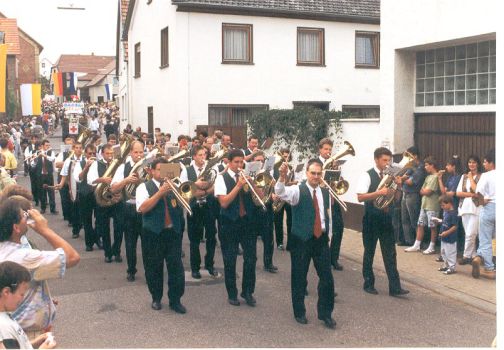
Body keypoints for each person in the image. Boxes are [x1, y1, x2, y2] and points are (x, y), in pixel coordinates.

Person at [0, 198, 80, 338]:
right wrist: (45, 230)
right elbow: (72, 257)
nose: (28, 217)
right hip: (29, 334)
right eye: (24, 215)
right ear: (16, 227)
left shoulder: (4, 249)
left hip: (11, 329)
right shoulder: (25, 257)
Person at [275, 158, 336, 329]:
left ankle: (325, 314)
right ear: (307, 173)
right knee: (299, 278)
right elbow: (280, 192)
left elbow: (325, 216)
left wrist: (328, 235)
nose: (316, 176)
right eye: (313, 173)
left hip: (321, 239)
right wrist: (281, 177)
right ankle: (299, 312)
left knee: (327, 278)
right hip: (301, 239)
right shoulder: (297, 190)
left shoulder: (326, 192)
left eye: (319, 173)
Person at [356, 147, 409, 297]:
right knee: (369, 252)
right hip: (371, 219)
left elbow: (396, 199)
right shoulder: (367, 175)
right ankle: (368, 283)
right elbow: (360, 197)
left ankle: (395, 287)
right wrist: (379, 192)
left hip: (386, 219)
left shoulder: (390, 176)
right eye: (385, 160)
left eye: (389, 161)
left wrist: (398, 186)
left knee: (390, 254)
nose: (387, 164)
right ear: (376, 160)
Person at [136, 158, 186, 313]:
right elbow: (143, 208)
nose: (162, 173)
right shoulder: (144, 187)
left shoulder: (175, 186)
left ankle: (175, 300)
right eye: (159, 169)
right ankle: (156, 298)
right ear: (151, 171)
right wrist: (160, 193)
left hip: (172, 233)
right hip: (153, 233)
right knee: (154, 267)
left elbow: (182, 205)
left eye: (165, 170)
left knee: (176, 268)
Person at [214, 149, 258, 307]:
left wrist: (252, 183)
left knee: (251, 258)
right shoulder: (221, 178)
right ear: (229, 162)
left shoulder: (246, 177)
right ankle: (232, 294)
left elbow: (258, 197)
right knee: (230, 260)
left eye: (242, 162)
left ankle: (247, 292)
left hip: (246, 222)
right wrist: (239, 185)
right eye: (236, 162)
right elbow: (224, 202)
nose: (240, 165)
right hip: (229, 223)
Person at [179, 146, 218, 279]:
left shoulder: (212, 168)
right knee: (194, 239)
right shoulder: (186, 170)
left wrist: (205, 192)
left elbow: (215, 185)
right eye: (200, 155)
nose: (203, 158)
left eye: (204, 155)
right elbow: (184, 189)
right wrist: (196, 185)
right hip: (194, 207)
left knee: (212, 237)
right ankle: (195, 267)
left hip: (210, 206)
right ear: (194, 157)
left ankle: (210, 264)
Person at [0, 261, 56, 349]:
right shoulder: (3, 326)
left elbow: (16, 347)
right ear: (6, 292)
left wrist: (35, 342)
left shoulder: (5, 316)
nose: (22, 299)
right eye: (21, 294)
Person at [110, 141, 144, 281]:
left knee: (148, 243)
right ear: (130, 152)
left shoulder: (147, 167)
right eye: (136, 152)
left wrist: (141, 181)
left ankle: (149, 271)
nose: (138, 155)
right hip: (129, 209)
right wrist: (126, 180)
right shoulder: (123, 167)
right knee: (130, 243)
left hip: (144, 208)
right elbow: (113, 188)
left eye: (141, 152)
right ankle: (131, 270)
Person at [317, 138, 345, 271]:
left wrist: (337, 172)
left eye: (330, 149)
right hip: (322, 200)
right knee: (325, 229)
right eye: (326, 149)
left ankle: (334, 258)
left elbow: (339, 181)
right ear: (320, 149)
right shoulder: (315, 163)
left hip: (333, 199)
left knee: (339, 228)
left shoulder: (334, 163)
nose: (328, 152)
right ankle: (324, 258)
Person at [404, 156, 441, 254]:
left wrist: (424, 191)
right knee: (420, 224)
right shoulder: (428, 177)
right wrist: (424, 191)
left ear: (432, 165)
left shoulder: (436, 176)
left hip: (432, 205)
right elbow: (421, 190)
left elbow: (428, 191)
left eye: (427, 165)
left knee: (433, 226)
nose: (425, 167)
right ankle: (416, 245)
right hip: (424, 204)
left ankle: (432, 246)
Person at [472, 149, 496, 280]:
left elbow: (478, 193)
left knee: (485, 238)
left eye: (485, 162)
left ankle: (489, 268)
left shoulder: (486, 176)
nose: (484, 164)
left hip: (489, 207)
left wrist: (482, 201)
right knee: (496, 239)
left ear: (492, 163)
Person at [456, 155, 482, 265]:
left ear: (478, 164)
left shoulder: (482, 176)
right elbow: (458, 193)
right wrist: (471, 194)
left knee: (471, 233)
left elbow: (478, 192)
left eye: (474, 162)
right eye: (470, 162)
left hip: (476, 208)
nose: (471, 164)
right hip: (464, 207)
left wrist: (471, 178)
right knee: (468, 233)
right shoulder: (463, 176)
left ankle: (466, 256)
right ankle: (474, 255)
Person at [398, 147, 426, 246]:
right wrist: (401, 178)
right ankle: (409, 241)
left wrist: (401, 179)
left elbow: (411, 181)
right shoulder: (411, 165)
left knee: (414, 219)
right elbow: (402, 176)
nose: (407, 158)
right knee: (405, 219)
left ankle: (418, 242)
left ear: (415, 156)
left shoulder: (421, 167)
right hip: (405, 193)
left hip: (413, 194)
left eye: (409, 155)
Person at [272, 148, 292, 251]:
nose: (285, 158)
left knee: (290, 221)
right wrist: (273, 194)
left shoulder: (292, 168)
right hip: (278, 197)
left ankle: (290, 243)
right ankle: (279, 242)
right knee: (278, 221)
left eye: (287, 156)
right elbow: (271, 182)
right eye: (284, 156)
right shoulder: (275, 168)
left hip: (288, 198)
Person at [31, 140, 57, 215]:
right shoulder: (37, 152)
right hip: (40, 175)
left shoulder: (51, 152)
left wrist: (45, 155)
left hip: (49, 175)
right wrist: (34, 159)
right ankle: (43, 208)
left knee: (51, 191)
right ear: (42, 146)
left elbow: (52, 159)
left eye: (49, 145)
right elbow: (33, 165)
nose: (48, 147)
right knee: (41, 192)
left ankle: (53, 209)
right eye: (46, 145)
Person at [436, 195, 459, 275]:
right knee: (443, 252)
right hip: (444, 236)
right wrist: (439, 221)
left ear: (449, 203)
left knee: (450, 252)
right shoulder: (446, 212)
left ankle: (452, 267)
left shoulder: (453, 213)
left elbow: (455, 226)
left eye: (443, 205)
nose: (442, 207)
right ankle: (446, 265)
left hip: (450, 237)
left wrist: (447, 232)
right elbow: (445, 222)